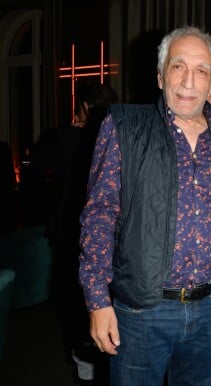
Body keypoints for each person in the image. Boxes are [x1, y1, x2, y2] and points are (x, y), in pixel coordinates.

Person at [78, 26, 211, 386]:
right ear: (160, 75)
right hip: (141, 311)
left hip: (209, 308)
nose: (189, 80)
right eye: (178, 66)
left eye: (201, 70)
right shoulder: (124, 126)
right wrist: (97, 301)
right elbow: (99, 216)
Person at [44, 80, 117, 385]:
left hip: (71, 232)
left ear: (85, 107)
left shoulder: (65, 138)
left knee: (77, 306)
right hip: (114, 239)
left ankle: (86, 368)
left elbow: (38, 173)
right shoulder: (121, 133)